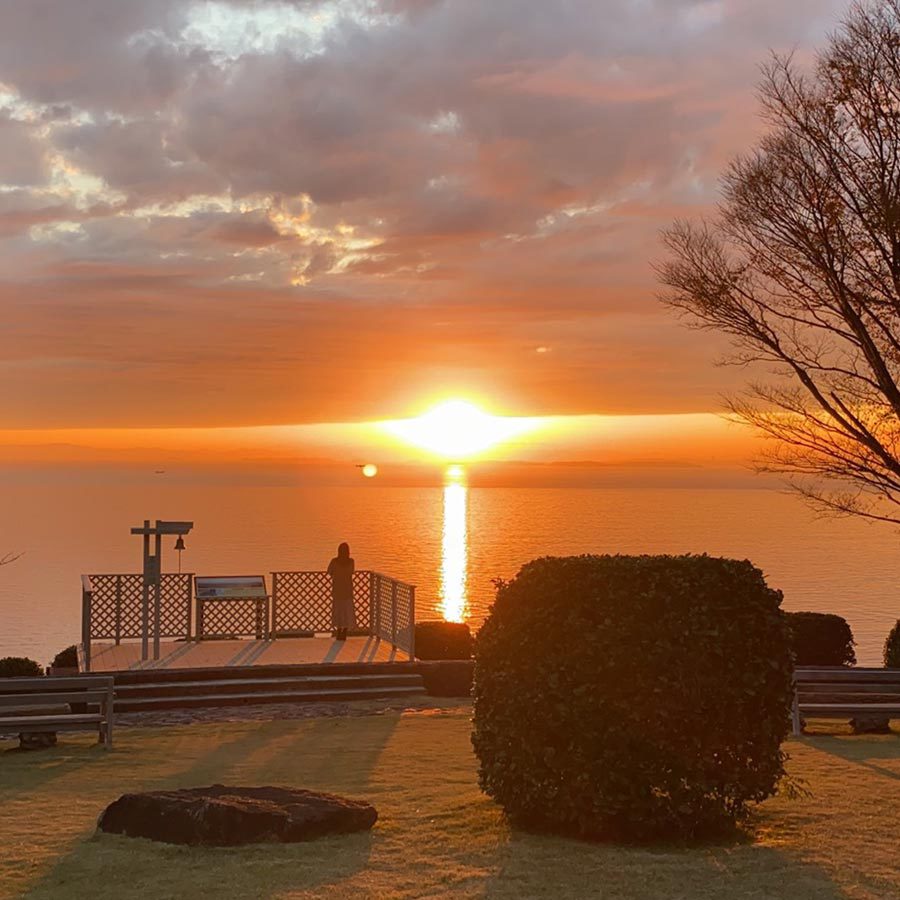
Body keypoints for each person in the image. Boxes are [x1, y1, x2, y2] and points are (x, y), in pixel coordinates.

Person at [327, 542, 356, 640]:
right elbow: (352, 571)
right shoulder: (351, 562)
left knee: (338, 611)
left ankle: (339, 631)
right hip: (347, 590)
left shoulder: (334, 561)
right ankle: (345, 631)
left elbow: (329, 571)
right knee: (346, 611)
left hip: (337, 590)